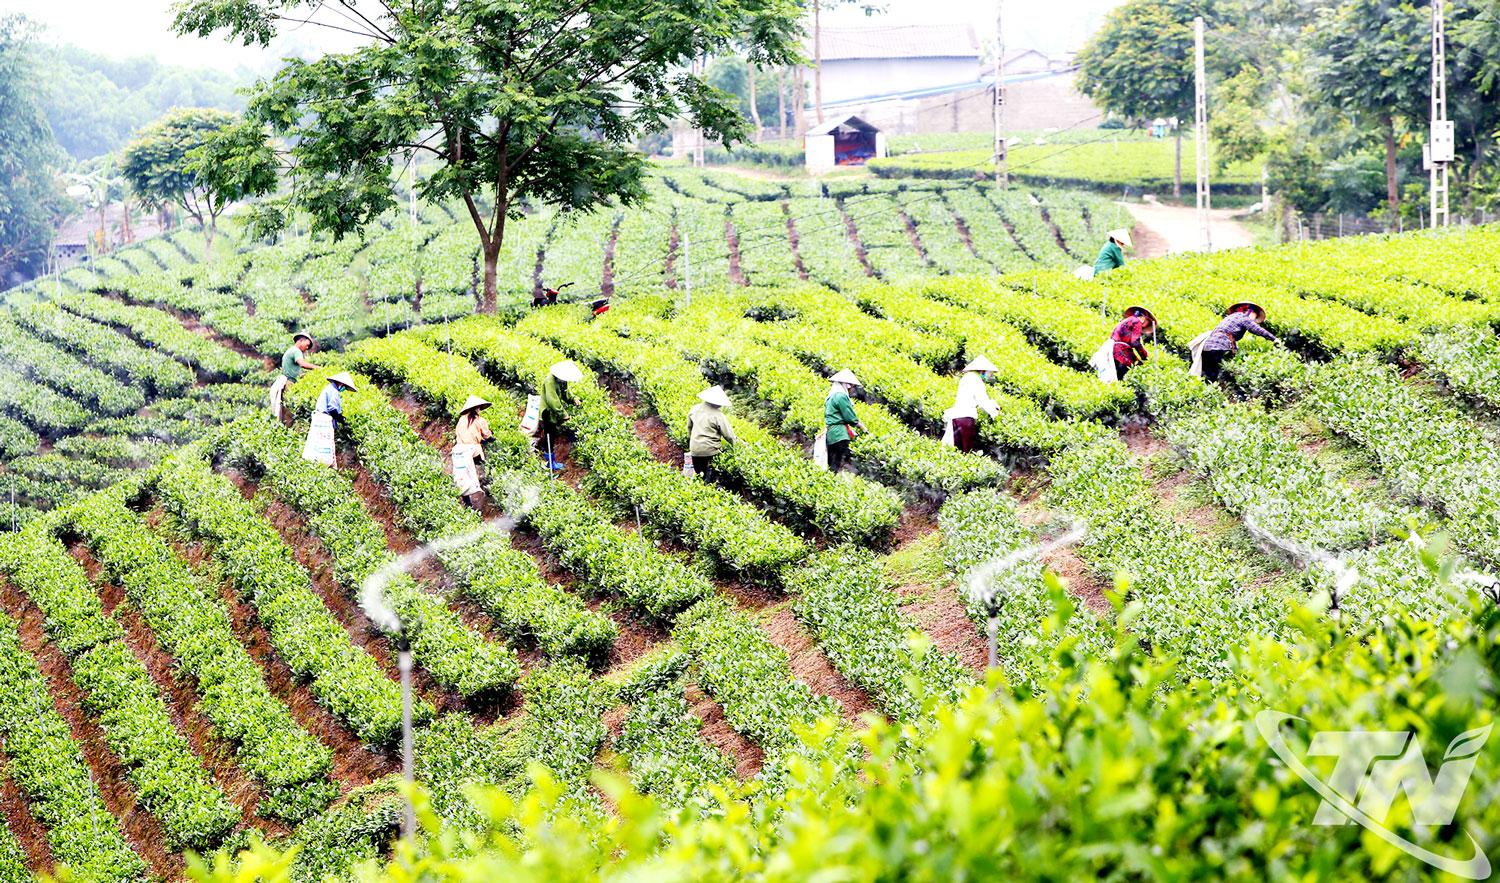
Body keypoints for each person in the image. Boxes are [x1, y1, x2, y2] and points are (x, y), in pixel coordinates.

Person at [1195, 302, 1279, 382]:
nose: (1254, 319)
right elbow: (1257, 330)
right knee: (1213, 375)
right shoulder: (1243, 317)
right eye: (1254, 316)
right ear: (1250, 312)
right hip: (1219, 346)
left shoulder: (1231, 317)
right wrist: (1274, 339)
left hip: (1207, 345)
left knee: (1206, 373)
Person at [531, 360, 582, 470]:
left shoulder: (562, 380)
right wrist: (563, 414)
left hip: (554, 413)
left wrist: (574, 400)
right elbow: (552, 400)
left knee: (553, 435)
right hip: (547, 413)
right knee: (550, 436)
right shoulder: (549, 381)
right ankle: (549, 462)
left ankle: (549, 458)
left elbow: (566, 393)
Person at [949, 356, 1002, 453]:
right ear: (982, 370)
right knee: (966, 450)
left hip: (956, 416)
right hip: (966, 418)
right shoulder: (976, 380)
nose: (990, 375)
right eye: (989, 372)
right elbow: (982, 400)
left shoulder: (967, 377)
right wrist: (994, 413)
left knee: (958, 449)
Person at [303, 371, 356, 467]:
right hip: (324, 419)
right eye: (344, 386)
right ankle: (327, 463)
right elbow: (332, 409)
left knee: (318, 441)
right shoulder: (334, 391)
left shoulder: (329, 389)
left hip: (319, 417)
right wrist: (340, 419)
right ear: (340, 383)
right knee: (326, 441)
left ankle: (317, 461)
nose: (344, 389)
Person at [686, 385, 737, 481]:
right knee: (711, 477)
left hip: (695, 450)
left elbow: (689, 428)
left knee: (699, 475)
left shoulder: (694, 409)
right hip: (710, 451)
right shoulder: (718, 415)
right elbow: (729, 436)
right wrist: (739, 447)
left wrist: (693, 442)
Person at [453, 395, 493, 510]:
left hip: (459, 450)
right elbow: (487, 435)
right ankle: (485, 485)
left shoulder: (461, 419)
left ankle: (467, 501)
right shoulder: (480, 421)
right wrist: (491, 439)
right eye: (479, 408)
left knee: (462, 476)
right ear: (476, 408)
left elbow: (458, 434)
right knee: (481, 465)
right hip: (472, 451)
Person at [823, 370, 864, 474]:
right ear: (842, 384)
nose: (850, 387)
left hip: (831, 433)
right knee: (837, 462)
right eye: (849, 384)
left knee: (830, 462)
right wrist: (862, 427)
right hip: (839, 434)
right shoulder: (840, 396)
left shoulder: (831, 397)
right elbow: (850, 417)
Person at [270, 332, 317, 423]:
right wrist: (317, 368)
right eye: (307, 345)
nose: (307, 348)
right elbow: (302, 364)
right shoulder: (296, 351)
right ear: (301, 341)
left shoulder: (291, 350)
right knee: (289, 411)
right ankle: (288, 430)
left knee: (285, 410)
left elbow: (294, 370)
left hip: (288, 381)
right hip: (289, 383)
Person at [1109, 306, 1157, 381]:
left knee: (1119, 372)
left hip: (1115, 347)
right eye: (1148, 323)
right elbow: (1135, 342)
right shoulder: (1137, 322)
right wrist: (1144, 356)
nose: (1146, 326)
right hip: (1120, 349)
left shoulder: (1129, 320)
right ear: (1144, 318)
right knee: (1122, 372)